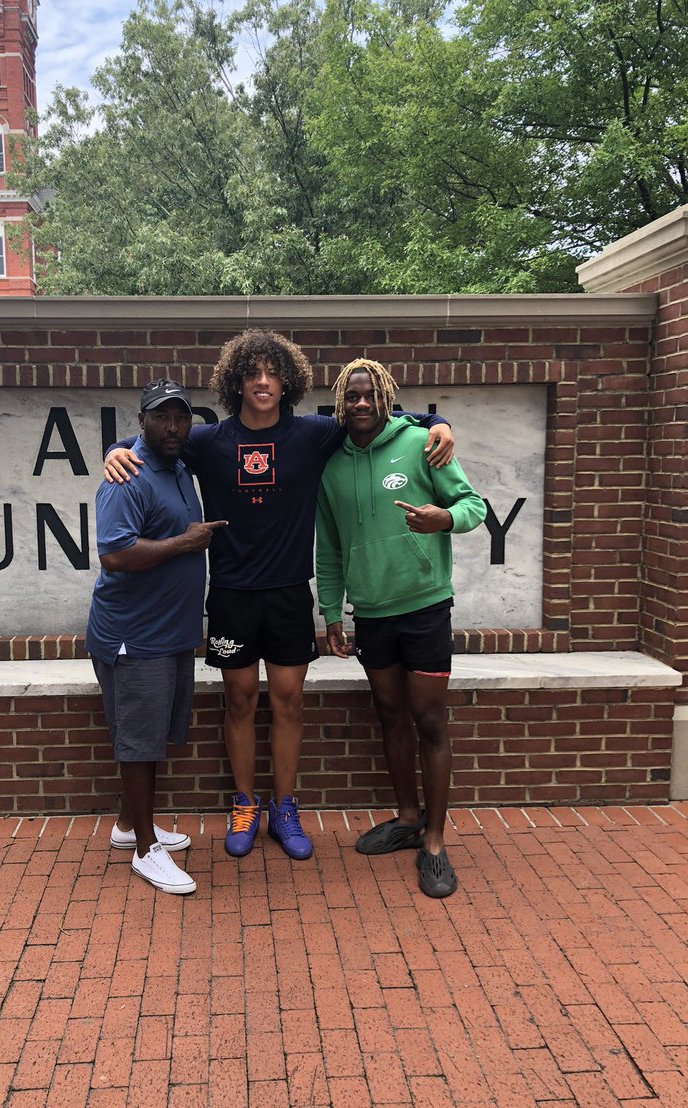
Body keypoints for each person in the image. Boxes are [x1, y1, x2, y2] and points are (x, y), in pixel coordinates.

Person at [104, 330, 455, 863]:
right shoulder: (207, 440)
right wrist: (116, 450)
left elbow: (382, 417)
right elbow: (156, 442)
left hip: (290, 593)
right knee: (240, 701)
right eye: (252, 373)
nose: (262, 382)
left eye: (272, 373)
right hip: (231, 595)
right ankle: (245, 805)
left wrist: (438, 423)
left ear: (286, 381)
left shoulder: (314, 434)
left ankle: (285, 807)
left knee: (288, 702)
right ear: (235, 382)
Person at [315, 358, 486, 898]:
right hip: (371, 613)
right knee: (390, 715)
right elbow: (329, 546)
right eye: (352, 397)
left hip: (425, 606)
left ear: (386, 397)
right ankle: (408, 819)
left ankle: (435, 843)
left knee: (429, 720)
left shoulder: (421, 442)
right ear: (341, 403)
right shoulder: (330, 465)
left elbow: (474, 505)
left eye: (370, 395)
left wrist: (444, 519)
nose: (361, 404)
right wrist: (331, 611)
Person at [86, 379, 227, 894]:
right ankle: (146, 850)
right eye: (161, 417)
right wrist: (185, 543)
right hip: (133, 636)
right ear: (142, 420)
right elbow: (115, 554)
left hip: (168, 633)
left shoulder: (179, 464)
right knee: (139, 746)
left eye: (181, 417)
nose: (173, 427)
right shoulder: (127, 476)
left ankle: (128, 826)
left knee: (152, 737)